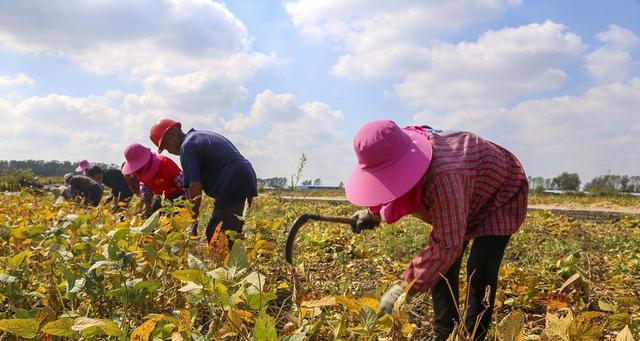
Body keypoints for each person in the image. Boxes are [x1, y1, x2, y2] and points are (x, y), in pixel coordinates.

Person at [345, 120, 528, 341]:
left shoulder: (443, 176)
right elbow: (389, 181)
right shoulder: (395, 147)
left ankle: (474, 335)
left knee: (479, 270)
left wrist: (404, 288)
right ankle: (446, 333)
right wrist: (372, 212)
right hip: (466, 185)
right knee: (442, 268)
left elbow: (446, 246)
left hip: (500, 191)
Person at [149, 118, 257, 242]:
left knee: (216, 235)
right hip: (245, 175)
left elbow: (194, 186)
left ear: (173, 133)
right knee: (230, 233)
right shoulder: (198, 137)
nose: (169, 151)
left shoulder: (187, 147)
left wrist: (192, 221)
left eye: (166, 145)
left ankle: (222, 260)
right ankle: (232, 259)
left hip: (233, 179)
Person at [121, 143, 185, 217]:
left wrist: (191, 204)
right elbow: (144, 186)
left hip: (178, 196)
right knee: (150, 216)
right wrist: (147, 203)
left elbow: (186, 184)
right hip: (162, 198)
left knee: (173, 217)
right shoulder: (140, 173)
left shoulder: (165, 164)